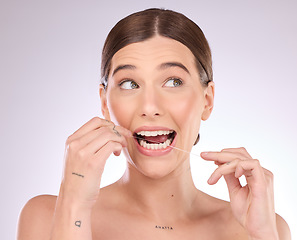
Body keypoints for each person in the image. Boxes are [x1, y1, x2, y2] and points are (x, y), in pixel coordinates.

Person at [17, 8, 291, 240]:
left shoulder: (263, 226)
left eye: (173, 82)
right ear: (105, 103)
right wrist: (74, 205)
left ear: (207, 100)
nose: (150, 107)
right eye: (129, 84)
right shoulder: (45, 218)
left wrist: (263, 234)